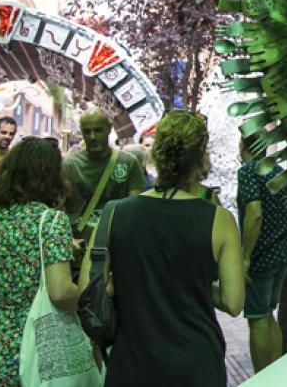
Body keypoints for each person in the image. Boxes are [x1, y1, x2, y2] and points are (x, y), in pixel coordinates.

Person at [82, 109, 243, 386]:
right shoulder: (219, 220)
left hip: (132, 364)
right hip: (197, 365)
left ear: (157, 152)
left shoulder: (113, 215)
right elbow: (233, 302)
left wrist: (133, 279)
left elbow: (88, 287)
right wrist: (188, 281)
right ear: (200, 157)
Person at [0, 137, 79, 386]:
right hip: (24, 354)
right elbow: (61, 292)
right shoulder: (51, 221)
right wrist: (87, 296)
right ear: (52, 176)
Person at [236, 137, 287, 372]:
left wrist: (246, 256)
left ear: (242, 147)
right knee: (269, 314)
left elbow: (254, 213)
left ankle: (261, 377)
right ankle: (275, 374)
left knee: (257, 317)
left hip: (261, 255)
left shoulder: (249, 172)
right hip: (281, 252)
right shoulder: (278, 171)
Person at [63, 109, 145, 261]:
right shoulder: (69, 166)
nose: (93, 137)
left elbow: (136, 209)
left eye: (98, 130)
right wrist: (66, 241)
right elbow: (57, 209)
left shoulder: (127, 163)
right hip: (78, 251)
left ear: (109, 129)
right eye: (87, 132)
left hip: (115, 251)